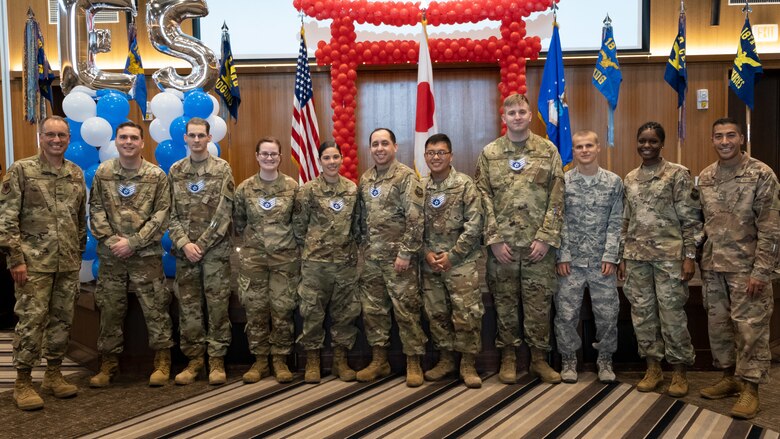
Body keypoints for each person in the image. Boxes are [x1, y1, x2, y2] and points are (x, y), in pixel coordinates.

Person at [474, 93, 564, 384]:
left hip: (539, 246)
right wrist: (494, 239)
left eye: (521, 112)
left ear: (529, 115)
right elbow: (482, 198)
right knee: (504, 304)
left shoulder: (547, 150)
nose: (516, 117)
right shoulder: (490, 153)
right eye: (511, 113)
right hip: (504, 248)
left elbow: (557, 197)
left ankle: (538, 360)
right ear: (504, 118)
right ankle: (509, 358)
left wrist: (547, 237)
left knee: (539, 305)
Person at [0, 116, 86, 410]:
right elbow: (7, 219)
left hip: (67, 263)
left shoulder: (75, 173)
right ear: (41, 137)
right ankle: (23, 382)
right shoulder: (22, 170)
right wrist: (15, 259)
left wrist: (78, 253)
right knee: (31, 321)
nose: (56, 140)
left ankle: (53, 374)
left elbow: (80, 219)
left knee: (62, 320)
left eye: (62, 135)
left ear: (69, 138)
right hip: (33, 264)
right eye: (50, 134)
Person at [697, 118, 780, 419]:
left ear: (741, 138)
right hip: (714, 266)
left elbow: (771, 228)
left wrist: (761, 271)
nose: (724, 141)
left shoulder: (761, 174)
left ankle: (751, 388)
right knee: (719, 327)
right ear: (712, 140)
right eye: (718, 136)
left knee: (750, 329)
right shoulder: (706, 177)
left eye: (730, 135)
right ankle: (729, 377)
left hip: (747, 268)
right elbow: (704, 222)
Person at [618, 121, 702, 397]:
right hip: (636, 258)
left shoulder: (677, 174)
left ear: (662, 144)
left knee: (672, 315)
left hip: (669, 259)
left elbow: (690, 220)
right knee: (642, 315)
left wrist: (689, 256)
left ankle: (679, 371)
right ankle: (653, 367)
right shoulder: (630, 178)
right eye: (642, 140)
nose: (647, 145)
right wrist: (622, 256)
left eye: (653, 141)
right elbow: (625, 220)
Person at [89, 121, 173, 388]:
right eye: (123, 137)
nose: (128, 142)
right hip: (112, 255)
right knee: (110, 309)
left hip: (146, 255)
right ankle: (108, 363)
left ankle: (162, 361)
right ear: (116, 141)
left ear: (142, 142)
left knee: (156, 307)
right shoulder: (104, 172)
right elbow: (95, 209)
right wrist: (113, 241)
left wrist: (134, 243)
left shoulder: (156, 175)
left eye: (134, 138)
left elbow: (162, 215)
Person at [355, 128, 427, 387]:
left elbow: (416, 219)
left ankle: (413, 362)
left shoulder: (406, 176)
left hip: (400, 260)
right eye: (375, 144)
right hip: (372, 259)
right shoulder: (365, 178)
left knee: (407, 311)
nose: (379, 148)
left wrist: (406, 253)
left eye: (384, 143)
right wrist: (363, 250)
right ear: (370, 148)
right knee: (373, 311)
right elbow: (362, 219)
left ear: (395, 147)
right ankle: (379, 360)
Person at [168, 118, 234, 386]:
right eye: (192, 135)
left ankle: (217, 359)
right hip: (185, 254)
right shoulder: (176, 171)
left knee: (218, 305)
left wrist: (202, 244)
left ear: (209, 138)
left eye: (201, 135)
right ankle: (194, 360)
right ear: (185, 138)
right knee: (189, 307)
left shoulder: (222, 169)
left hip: (215, 252)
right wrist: (185, 243)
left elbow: (224, 212)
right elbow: (169, 212)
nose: (196, 140)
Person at [554, 130, 622, 384]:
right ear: (573, 150)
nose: (584, 150)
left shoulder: (613, 182)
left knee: (608, 314)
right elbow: (558, 221)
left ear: (598, 147)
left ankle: (605, 360)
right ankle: (568, 360)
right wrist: (562, 255)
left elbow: (616, 222)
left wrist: (611, 255)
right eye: (579, 147)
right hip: (570, 262)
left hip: (601, 262)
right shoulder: (563, 182)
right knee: (565, 314)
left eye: (589, 146)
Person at [292, 141, 361, 384]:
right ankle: (313, 360)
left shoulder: (352, 189)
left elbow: (357, 224)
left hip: (345, 262)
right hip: (315, 263)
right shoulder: (308, 190)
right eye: (327, 158)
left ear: (342, 158)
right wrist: (315, 247)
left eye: (335, 157)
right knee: (312, 311)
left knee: (345, 313)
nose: (332, 162)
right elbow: (299, 226)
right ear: (320, 161)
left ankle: (340, 361)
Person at [420, 134, 484, 388]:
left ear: (451, 156)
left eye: (441, 152)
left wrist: (453, 255)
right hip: (430, 263)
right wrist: (426, 253)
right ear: (425, 156)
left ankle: (468, 364)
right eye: (431, 153)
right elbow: (412, 226)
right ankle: (446, 360)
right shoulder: (419, 187)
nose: (436, 157)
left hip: (460, 263)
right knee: (436, 313)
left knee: (466, 313)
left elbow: (475, 224)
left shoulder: (464, 184)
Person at [233, 136, 299, 384]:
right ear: (257, 156)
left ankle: (280, 360)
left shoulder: (292, 187)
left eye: (273, 154)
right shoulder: (245, 189)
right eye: (265, 154)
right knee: (256, 310)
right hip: (254, 260)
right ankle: (260, 360)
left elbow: (298, 223)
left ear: (280, 157)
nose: (269, 158)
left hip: (284, 260)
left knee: (282, 309)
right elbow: (240, 222)